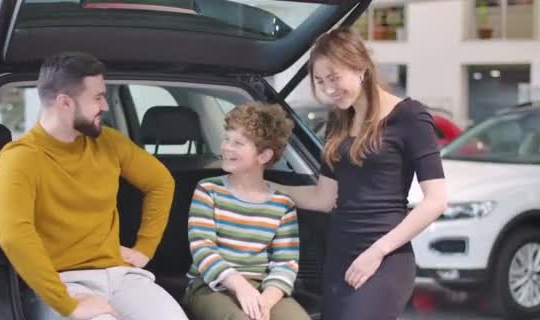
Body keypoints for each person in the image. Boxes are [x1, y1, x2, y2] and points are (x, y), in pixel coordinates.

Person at [0, 52, 189, 320]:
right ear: (65, 103)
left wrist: (145, 248)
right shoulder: (20, 158)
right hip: (62, 283)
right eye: (97, 97)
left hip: (120, 277)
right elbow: (15, 235)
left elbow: (161, 182)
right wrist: (68, 305)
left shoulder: (109, 142)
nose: (105, 106)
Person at [274, 28, 447, 320]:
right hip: (339, 256)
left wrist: (377, 252)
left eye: (334, 77)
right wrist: (268, 186)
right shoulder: (338, 122)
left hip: (385, 258)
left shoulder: (409, 116)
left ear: (360, 67)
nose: (328, 89)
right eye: (320, 81)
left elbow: (436, 201)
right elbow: (323, 198)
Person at [183, 102, 310, 320]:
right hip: (209, 285)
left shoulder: (282, 204)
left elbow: (285, 263)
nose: (226, 147)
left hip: (262, 287)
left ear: (263, 156)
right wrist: (241, 287)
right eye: (226, 139)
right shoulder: (209, 190)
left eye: (238, 143)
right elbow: (203, 249)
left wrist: (266, 301)